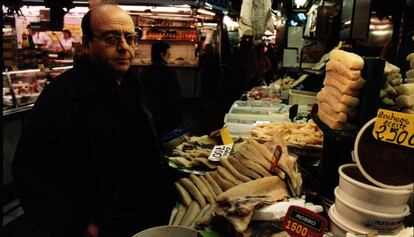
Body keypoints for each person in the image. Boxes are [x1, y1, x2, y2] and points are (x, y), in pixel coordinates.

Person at [12, 4, 175, 237]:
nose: (123, 47)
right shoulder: (62, 96)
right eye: (110, 38)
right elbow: (30, 172)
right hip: (99, 225)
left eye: (130, 38)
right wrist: (76, 224)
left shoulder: (136, 86)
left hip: (143, 217)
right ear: (87, 45)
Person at [140, 42, 182, 138]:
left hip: (150, 117)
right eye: (168, 54)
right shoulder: (169, 73)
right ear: (162, 55)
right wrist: (178, 118)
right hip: (167, 117)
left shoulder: (144, 73)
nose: (170, 56)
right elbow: (175, 97)